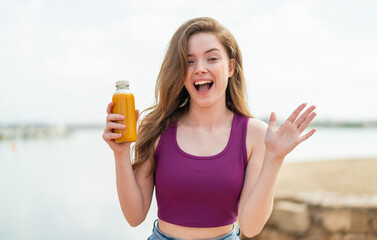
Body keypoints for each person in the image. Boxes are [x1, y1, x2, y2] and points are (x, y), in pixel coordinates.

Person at [103, 17, 316, 240]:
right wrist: (121, 155)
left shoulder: (255, 135)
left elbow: (251, 227)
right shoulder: (156, 127)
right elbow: (134, 216)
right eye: (189, 61)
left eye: (212, 58)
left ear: (231, 67)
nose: (200, 69)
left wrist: (275, 158)